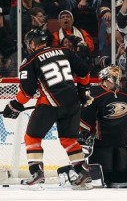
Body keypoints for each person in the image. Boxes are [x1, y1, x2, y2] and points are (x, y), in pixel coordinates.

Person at [2, 28, 93, 189]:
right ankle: (82, 171)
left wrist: (14, 105)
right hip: (73, 102)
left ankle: (37, 174)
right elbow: (85, 71)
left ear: (32, 43)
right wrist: (83, 91)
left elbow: (27, 91)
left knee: (32, 137)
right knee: (69, 139)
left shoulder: (30, 60)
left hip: (51, 104)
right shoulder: (65, 51)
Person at [79, 64, 127, 188]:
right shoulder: (94, 95)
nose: (117, 80)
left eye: (118, 77)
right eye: (114, 77)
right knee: (103, 178)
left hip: (121, 148)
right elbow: (83, 126)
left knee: (121, 179)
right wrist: (83, 142)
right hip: (100, 148)